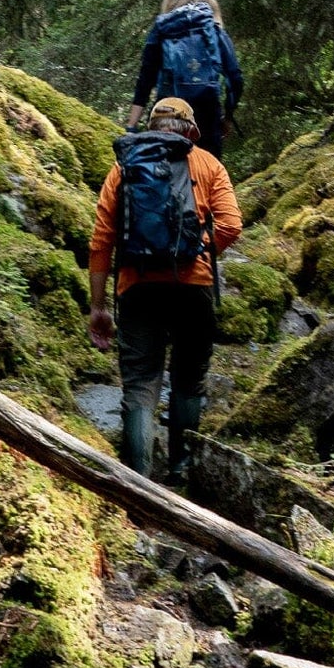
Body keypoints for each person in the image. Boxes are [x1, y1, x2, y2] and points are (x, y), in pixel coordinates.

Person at [88, 95, 243, 484]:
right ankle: (180, 470)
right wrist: (195, 251)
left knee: (140, 382)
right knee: (189, 377)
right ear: (191, 131)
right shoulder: (208, 164)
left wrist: (98, 306)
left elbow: (101, 241)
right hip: (194, 286)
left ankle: (138, 481)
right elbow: (231, 225)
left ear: (152, 127)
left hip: (137, 286)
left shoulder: (124, 167)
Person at [127, 0, 243, 158]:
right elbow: (235, 78)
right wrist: (228, 117)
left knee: (165, 168)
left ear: (171, 1)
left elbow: (145, 80)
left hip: (167, 112)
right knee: (207, 168)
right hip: (207, 113)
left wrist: (131, 126)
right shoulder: (214, 31)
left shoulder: (161, 30)